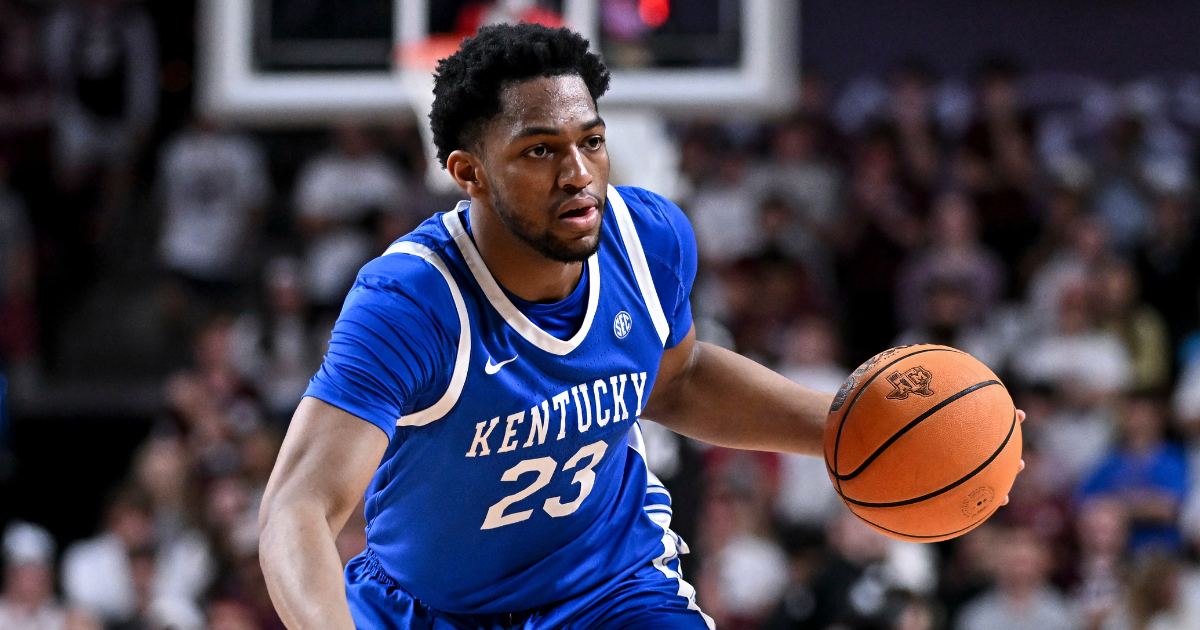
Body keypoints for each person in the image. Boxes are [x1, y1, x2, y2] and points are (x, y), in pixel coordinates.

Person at [257, 24, 1024, 630]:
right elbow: (299, 506)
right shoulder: (413, 301)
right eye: (540, 151)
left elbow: (676, 378)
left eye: (590, 141)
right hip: (432, 609)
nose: (579, 173)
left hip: (608, 591)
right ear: (468, 173)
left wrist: (841, 429)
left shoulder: (648, 237)